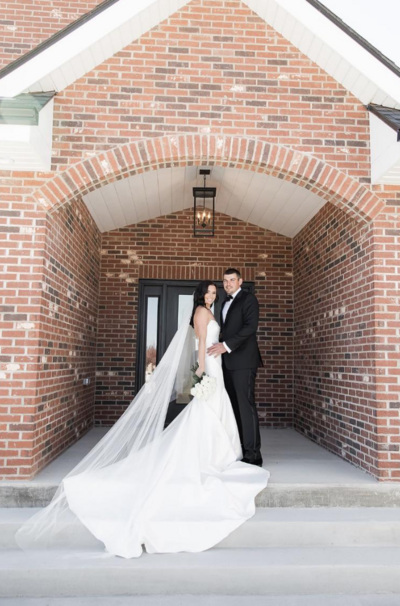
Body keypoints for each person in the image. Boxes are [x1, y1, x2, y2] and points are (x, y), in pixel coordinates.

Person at [15, 281, 269, 559]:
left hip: (219, 364)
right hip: (212, 367)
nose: (212, 294)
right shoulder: (200, 312)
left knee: (215, 411)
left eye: (214, 291)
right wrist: (202, 372)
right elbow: (200, 344)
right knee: (208, 412)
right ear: (200, 295)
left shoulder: (212, 310)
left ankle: (221, 452)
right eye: (208, 291)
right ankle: (213, 454)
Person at [207, 269, 263, 466]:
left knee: (246, 408)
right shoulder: (223, 302)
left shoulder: (249, 299)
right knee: (234, 409)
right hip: (227, 364)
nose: (228, 283)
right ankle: (240, 449)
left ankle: (253, 454)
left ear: (240, 281)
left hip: (243, 363)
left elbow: (250, 327)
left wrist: (226, 345)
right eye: (225, 280)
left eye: (232, 280)